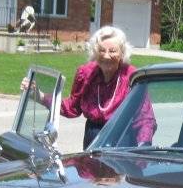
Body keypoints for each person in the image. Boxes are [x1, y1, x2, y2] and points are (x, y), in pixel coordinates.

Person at [20, 25, 155, 149]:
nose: (106, 56)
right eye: (102, 50)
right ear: (95, 52)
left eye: (112, 51)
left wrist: (143, 145)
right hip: (92, 141)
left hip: (122, 141)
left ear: (122, 53)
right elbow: (72, 107)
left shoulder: (131, 77)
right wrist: (40, 96)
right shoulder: (86, 74)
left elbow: (145, 118)